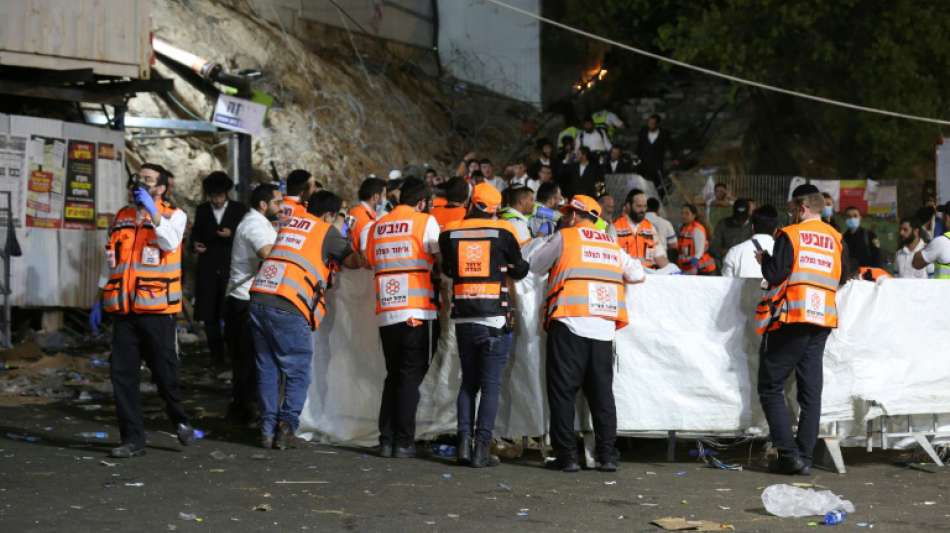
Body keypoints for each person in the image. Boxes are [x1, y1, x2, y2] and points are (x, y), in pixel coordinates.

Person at [531, 195, 645, 472]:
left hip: (570, 323)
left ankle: (567, 457)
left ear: (572, 215)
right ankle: (607, 456)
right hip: (603, 329)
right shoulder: (611, 244)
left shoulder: (565, 237)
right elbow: (638, 273)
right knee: (602, 396)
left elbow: (535, 265)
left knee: (563, 393)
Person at [91, 163, 196, 458]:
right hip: (124, 311)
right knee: (121, 375)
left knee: (164, 373)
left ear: (161, 188)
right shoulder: (121, 218)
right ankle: (132, 439)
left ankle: (179, 418)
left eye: (149, 180)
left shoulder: (174, 216)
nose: (141, 183)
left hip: (157, 311)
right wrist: (98, 298)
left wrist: (153, 212)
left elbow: (170, 241)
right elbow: (110, 261)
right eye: (139, 179)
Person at [250, 190, 359, 450]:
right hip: (289, 302)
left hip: (259, 298)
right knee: (298, 370)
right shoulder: (325, 230)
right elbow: (354, 261)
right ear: (330, 215)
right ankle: (286, 428)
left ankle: (266, 431)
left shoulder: (290, 225)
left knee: (267, 369)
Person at [754, 184, 846, 475]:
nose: (790, 215)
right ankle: (804, 457)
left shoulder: (790, 235)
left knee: (770, 386)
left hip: (794, 315)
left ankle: (788, 455)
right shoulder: (835, 237)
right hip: (823, 319)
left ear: (803, 208)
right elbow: (841, 275)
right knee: (810, 393)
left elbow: (775, 274)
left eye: (793, 210)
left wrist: (764, 260)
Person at [439, 183, 529, 467]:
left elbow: (447, 270)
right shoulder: (503, 232)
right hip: (495, 318)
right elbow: (521, 268)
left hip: (464, 316)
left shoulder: (449, 232)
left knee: (468, 383)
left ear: (471, 203)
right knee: (490, 386)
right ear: (494, 209)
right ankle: (481, 451)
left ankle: (463, 446)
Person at [362, 178, 441, 458]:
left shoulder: (377, 225)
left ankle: (386, 439)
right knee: (410, 376)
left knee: (393, 374)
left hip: (386, 310)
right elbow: (439, 256)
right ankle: (404, 442)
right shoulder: (424, 221)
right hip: (416, 310)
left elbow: (369, 259)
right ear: (421, 202)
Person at [225, 183, 282, 425]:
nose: (280, 207)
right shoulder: (254, 225)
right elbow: (268, 253)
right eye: (277, 202)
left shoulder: (261, 222)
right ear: (263, 204)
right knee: (248, 359)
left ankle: (243, 408)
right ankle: (245, 410)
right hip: (244, 301)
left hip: (248, 298)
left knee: (248, 359)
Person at [189, 172, 247, 366]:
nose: (216, 200)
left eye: (219, 196)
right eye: (213, 196)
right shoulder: (203, 210)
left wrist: (231, 234)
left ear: (226, 194)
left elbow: (247, 236)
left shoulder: (239, 210)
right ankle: (217, 359)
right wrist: (195, 245)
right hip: (207, 269)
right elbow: (195, 234)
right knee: (209, 315)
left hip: (232, 269)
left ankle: (235, 356)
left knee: (232, 314)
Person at [613, 189, 669, 270]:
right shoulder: (615, 227)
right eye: (639, 206)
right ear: (628, 206)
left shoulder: (650, 227)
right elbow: (612, 257)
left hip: (649, 278)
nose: (642, 210)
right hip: (625, 276)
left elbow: (659, 256)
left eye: (645, 206)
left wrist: (671, 271)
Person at [722, 205, 778, 278]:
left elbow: (725, 285)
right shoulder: (785, 253)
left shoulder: (734, 252)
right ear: (776, 230)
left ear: (752, 227)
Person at [710, 198, 754, 268]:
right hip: (728, 263)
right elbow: (713, 247)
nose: (741, 221)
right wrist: (727, 252)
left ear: (748, 213)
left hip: (749, 263)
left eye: (744, 218)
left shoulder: (754, 225)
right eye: (738, 218)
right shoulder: (723, 224)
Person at [636, 114, 673, 194]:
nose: (651, 125)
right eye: (649, 123)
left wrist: (672, 158)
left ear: (657, 124)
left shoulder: (664, 134)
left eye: (653, 123)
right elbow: (639, 145)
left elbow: (670, 146)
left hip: (657, 162)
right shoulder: (643, 131)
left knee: (657, 182)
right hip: (645, 162)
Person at [348, 177, 387, 252]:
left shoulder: (352, 211)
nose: (385, 199)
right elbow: (366, 250)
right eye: (384, 195)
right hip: (361, 259)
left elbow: (346, 235)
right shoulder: (367, 219)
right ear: (375, 197)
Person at [913, 201, 950, 279]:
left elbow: (916, 263)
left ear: (947, 218)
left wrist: (929, 247)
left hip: (944, 290)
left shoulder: (941, 242)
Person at [677, 204, 716, 275]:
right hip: (687, 267)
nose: (683, 216)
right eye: (682, 213)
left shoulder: (697, 229)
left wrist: (694, 265)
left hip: (703, 268)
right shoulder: (683, 228)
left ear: (693, 215)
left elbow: (700, 251)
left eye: (687, 213)